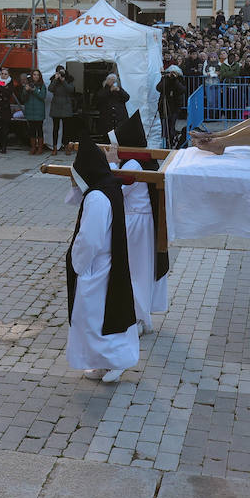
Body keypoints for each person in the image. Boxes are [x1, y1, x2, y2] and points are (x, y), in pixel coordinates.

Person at [65, 139, 139, 384]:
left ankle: (116, 361)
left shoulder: (98, 197)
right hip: (106, 263)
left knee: (100, 318)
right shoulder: (107, 186)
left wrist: (77, 264)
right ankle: (99, 361)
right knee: (94, 320)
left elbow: (90, 238)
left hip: (98, 266)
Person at [113, 112, 166, 334]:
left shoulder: (132, 163)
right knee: (139, 270)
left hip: (135, 222)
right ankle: (142, 318)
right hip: (139, 221)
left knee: (135, 271)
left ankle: (137, 319)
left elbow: (115, 190)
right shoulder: (139, 160)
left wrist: (111, 164)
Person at [155, 65, 185, 149]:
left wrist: (175, 80)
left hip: (175, 106)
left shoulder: (180, 79)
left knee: (171, 124)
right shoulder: (165, 79)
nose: (172, 74)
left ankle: (171, 141)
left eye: (174, 73)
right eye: (171, 72)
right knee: (164, 124)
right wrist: (166, 79)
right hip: (164, 104)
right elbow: (159, 88)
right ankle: (165, 141)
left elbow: (182, 90)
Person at [48, 65, 76, 150]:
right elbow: (50, 89)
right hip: (56, 105)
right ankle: (55, 147)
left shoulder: (69, 79)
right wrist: (56, 80)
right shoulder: (54, 79)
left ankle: (66, 146)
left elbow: (71, 90)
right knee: (55, 128)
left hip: (66, 105)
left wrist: (63, 81)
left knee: (66, 128)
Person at [0, 72, 18, 154]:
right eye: (2, 73)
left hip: (5, 109)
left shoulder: (10, 83)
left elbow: (8, 92)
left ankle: (4, 146)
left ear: (8, 75)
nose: (3, 75)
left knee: (4, 129)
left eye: (6, 74)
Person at [21, 69, 47, 154]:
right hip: (30, 111)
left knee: (39, 130)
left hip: (39, 111)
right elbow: (23, 98)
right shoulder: (27, 84)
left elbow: (42, 96)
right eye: (34, 75)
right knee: (31, 130)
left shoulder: (42, 85)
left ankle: (40, 148)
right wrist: (26, 90)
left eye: (37, 75)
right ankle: (33, 147)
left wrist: (34, 90)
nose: (36, 76)